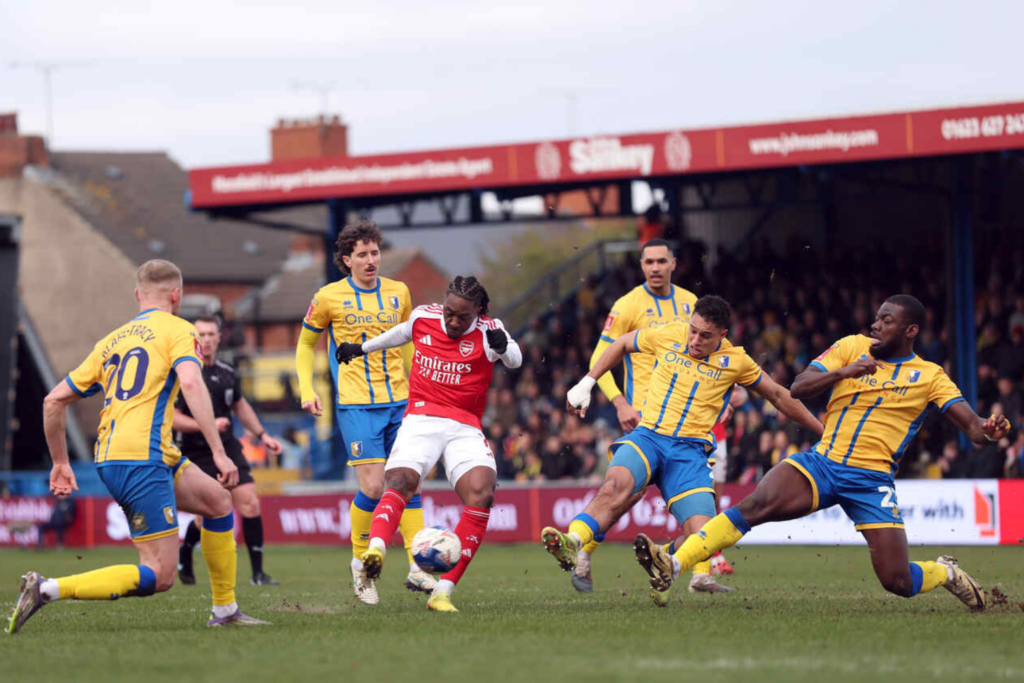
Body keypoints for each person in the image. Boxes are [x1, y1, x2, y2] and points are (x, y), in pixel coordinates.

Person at [634, 295, 1009, 611]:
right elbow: (798, 387)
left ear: (910, 331)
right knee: (754, 505)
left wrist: (989, 430)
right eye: (876, 317)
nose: (875, 325)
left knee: (897, 581)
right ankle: (674, 562)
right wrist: (845, 372)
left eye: (887, 321)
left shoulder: (929, 376)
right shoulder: (850, 347)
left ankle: (945, 572)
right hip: (822, 463)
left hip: (871, 480)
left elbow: (974, 428)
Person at [8, 260, 267, 634]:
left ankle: (226, 610)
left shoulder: (111, 340)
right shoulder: (180, 330)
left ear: (137, 295)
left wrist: (60, 461)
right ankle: (47, 589)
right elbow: (193, 385)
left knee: (218, 502)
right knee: (160, 575)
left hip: (140, 452)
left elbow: (53, 401)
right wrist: (220, 451)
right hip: (139, 459)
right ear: (176, 295)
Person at [542, 295, 823, 604]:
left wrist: (824, 432)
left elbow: (780, 396)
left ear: (722, 335)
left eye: (705, 335)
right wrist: (587, 383)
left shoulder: (737, 361)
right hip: (649, 437)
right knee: (616, 486)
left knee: (703, 536)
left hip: (689, 454)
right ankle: (572, 541)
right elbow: (622, 343)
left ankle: (663, 558)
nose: (695, 339)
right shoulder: (669, 333)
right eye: (693, 330)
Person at [336, 276, 522, 612]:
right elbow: (401, 333)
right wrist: (360, 349)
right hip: (422, 417)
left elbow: (516, 360)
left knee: (482, 492)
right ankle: (375, 550)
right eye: (449, 312)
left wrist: (504, 346)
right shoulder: (425, 317)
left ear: (478, 313)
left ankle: (442, 593)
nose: (452, 321)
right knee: (401, 481)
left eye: (462, 317)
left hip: (464, 425)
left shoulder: (490, 329)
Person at [294, 220, 431, 605]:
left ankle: (418, 568)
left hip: (401, 400)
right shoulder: (327, 298)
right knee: (373, 487)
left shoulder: (398, 292)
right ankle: (360, 565)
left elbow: (406, 342)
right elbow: (306, 345)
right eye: (362, 255)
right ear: (346, 260)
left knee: (409, 482)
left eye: (375, 253)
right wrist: (307, 389)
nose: (371, 261)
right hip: (356, 403)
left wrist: (422, 385)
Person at [577, 238, 719, 592]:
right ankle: (584, 548)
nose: (655, 268)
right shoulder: (627, 305)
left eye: (661, 261)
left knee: (698, 493)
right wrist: (619, 403)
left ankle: (699, 570)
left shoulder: (691, 304)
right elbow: (601, 355)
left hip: (686, 420)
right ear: (641, 266)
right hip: (644, 418)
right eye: (648, 262)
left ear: (674, 262)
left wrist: (722, 396)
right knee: (627, 493)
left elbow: (716, 353)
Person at [174, 314, 283, 587]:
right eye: (201, 334)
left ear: (219, 337)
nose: (206, 340)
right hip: (194, 451)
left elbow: (240, 406)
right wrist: (205, 424)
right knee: (205, 515)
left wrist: (263, 435)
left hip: (227, 446)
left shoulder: (227, 372)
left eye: (211, 334)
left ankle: (258, 573)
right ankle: (185, 553)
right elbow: (172, 418)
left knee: (250, 502)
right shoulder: (183, 374)